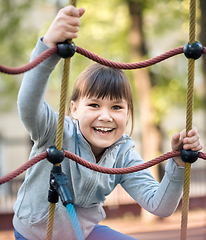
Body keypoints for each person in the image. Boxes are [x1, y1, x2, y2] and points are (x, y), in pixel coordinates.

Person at [13, 5, 202, 240]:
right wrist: (49, 46)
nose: (105, 116)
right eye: (94, 105)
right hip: (35, 235)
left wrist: (177, 163)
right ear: (74, 108)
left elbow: (160, 205)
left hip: (84, 234)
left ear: (128, 114)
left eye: (116, 107)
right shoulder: (57, 132)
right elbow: (28, 105)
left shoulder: (123, 153)